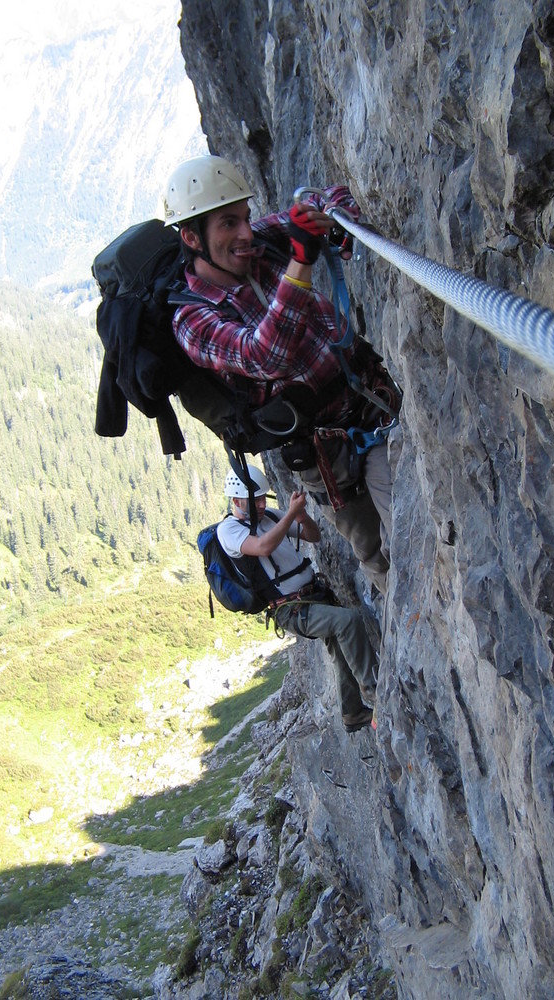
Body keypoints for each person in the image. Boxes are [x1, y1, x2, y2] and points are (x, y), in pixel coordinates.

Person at [163, 155, 403, 597]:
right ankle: (407, 627)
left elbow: (329, 199)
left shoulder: (260, 244)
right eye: (227, 223)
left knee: (405, 533)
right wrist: (301, 258)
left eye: (245, 218)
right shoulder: (192, 319)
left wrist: (322, 215)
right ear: (191, 237)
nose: (244, 233)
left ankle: (411, 604)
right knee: (370, 548)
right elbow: (265, 355)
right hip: (324, 451)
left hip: (372, 404)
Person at [218, 464, 378, 733]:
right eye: (253, 500)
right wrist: (291, 513)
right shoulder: (229, 531)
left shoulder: (269, 516)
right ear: (235, 501)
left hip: (311, 595)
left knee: (340, 649)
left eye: (260, 499)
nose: (259, 505)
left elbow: (312, 536)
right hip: (290, 609)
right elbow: (262, 546)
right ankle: (376, 692)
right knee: (347, 622)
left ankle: (353, 712)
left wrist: (301, 517)